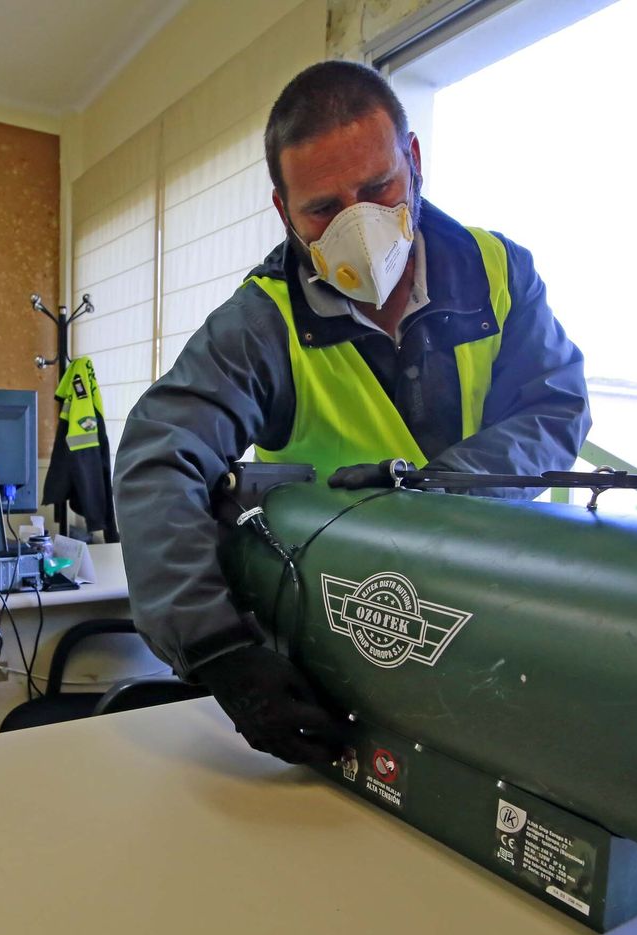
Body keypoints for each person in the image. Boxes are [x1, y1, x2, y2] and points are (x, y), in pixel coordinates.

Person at [113, 60, 591, 764]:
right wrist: (217, 649)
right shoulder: (262, 322)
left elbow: (553, 407)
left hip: (496, 618)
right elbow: (161, 457)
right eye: (324, 210)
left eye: (377, 189)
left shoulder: (500, 274)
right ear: (284, 212)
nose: (359, 228)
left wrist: (430, 499)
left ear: (415, 160)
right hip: (336, 643)